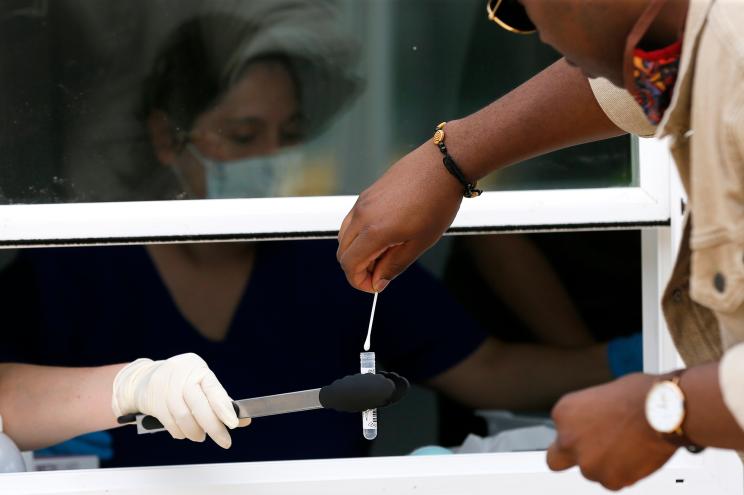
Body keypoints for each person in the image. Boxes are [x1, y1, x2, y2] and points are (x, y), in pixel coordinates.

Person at [0, 9, 628, 467]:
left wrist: (642, 362)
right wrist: (125, 389)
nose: (271, 157)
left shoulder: (338, 256)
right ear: (168, 139)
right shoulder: (75, 266)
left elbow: (488, 371)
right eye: (243, 135)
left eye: (289, 132)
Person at [336, 0, 744, 490]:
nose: (536, 37)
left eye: (521, 9)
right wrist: (449, 159)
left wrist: (666, 410)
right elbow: (644, 87)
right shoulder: (701, 49)